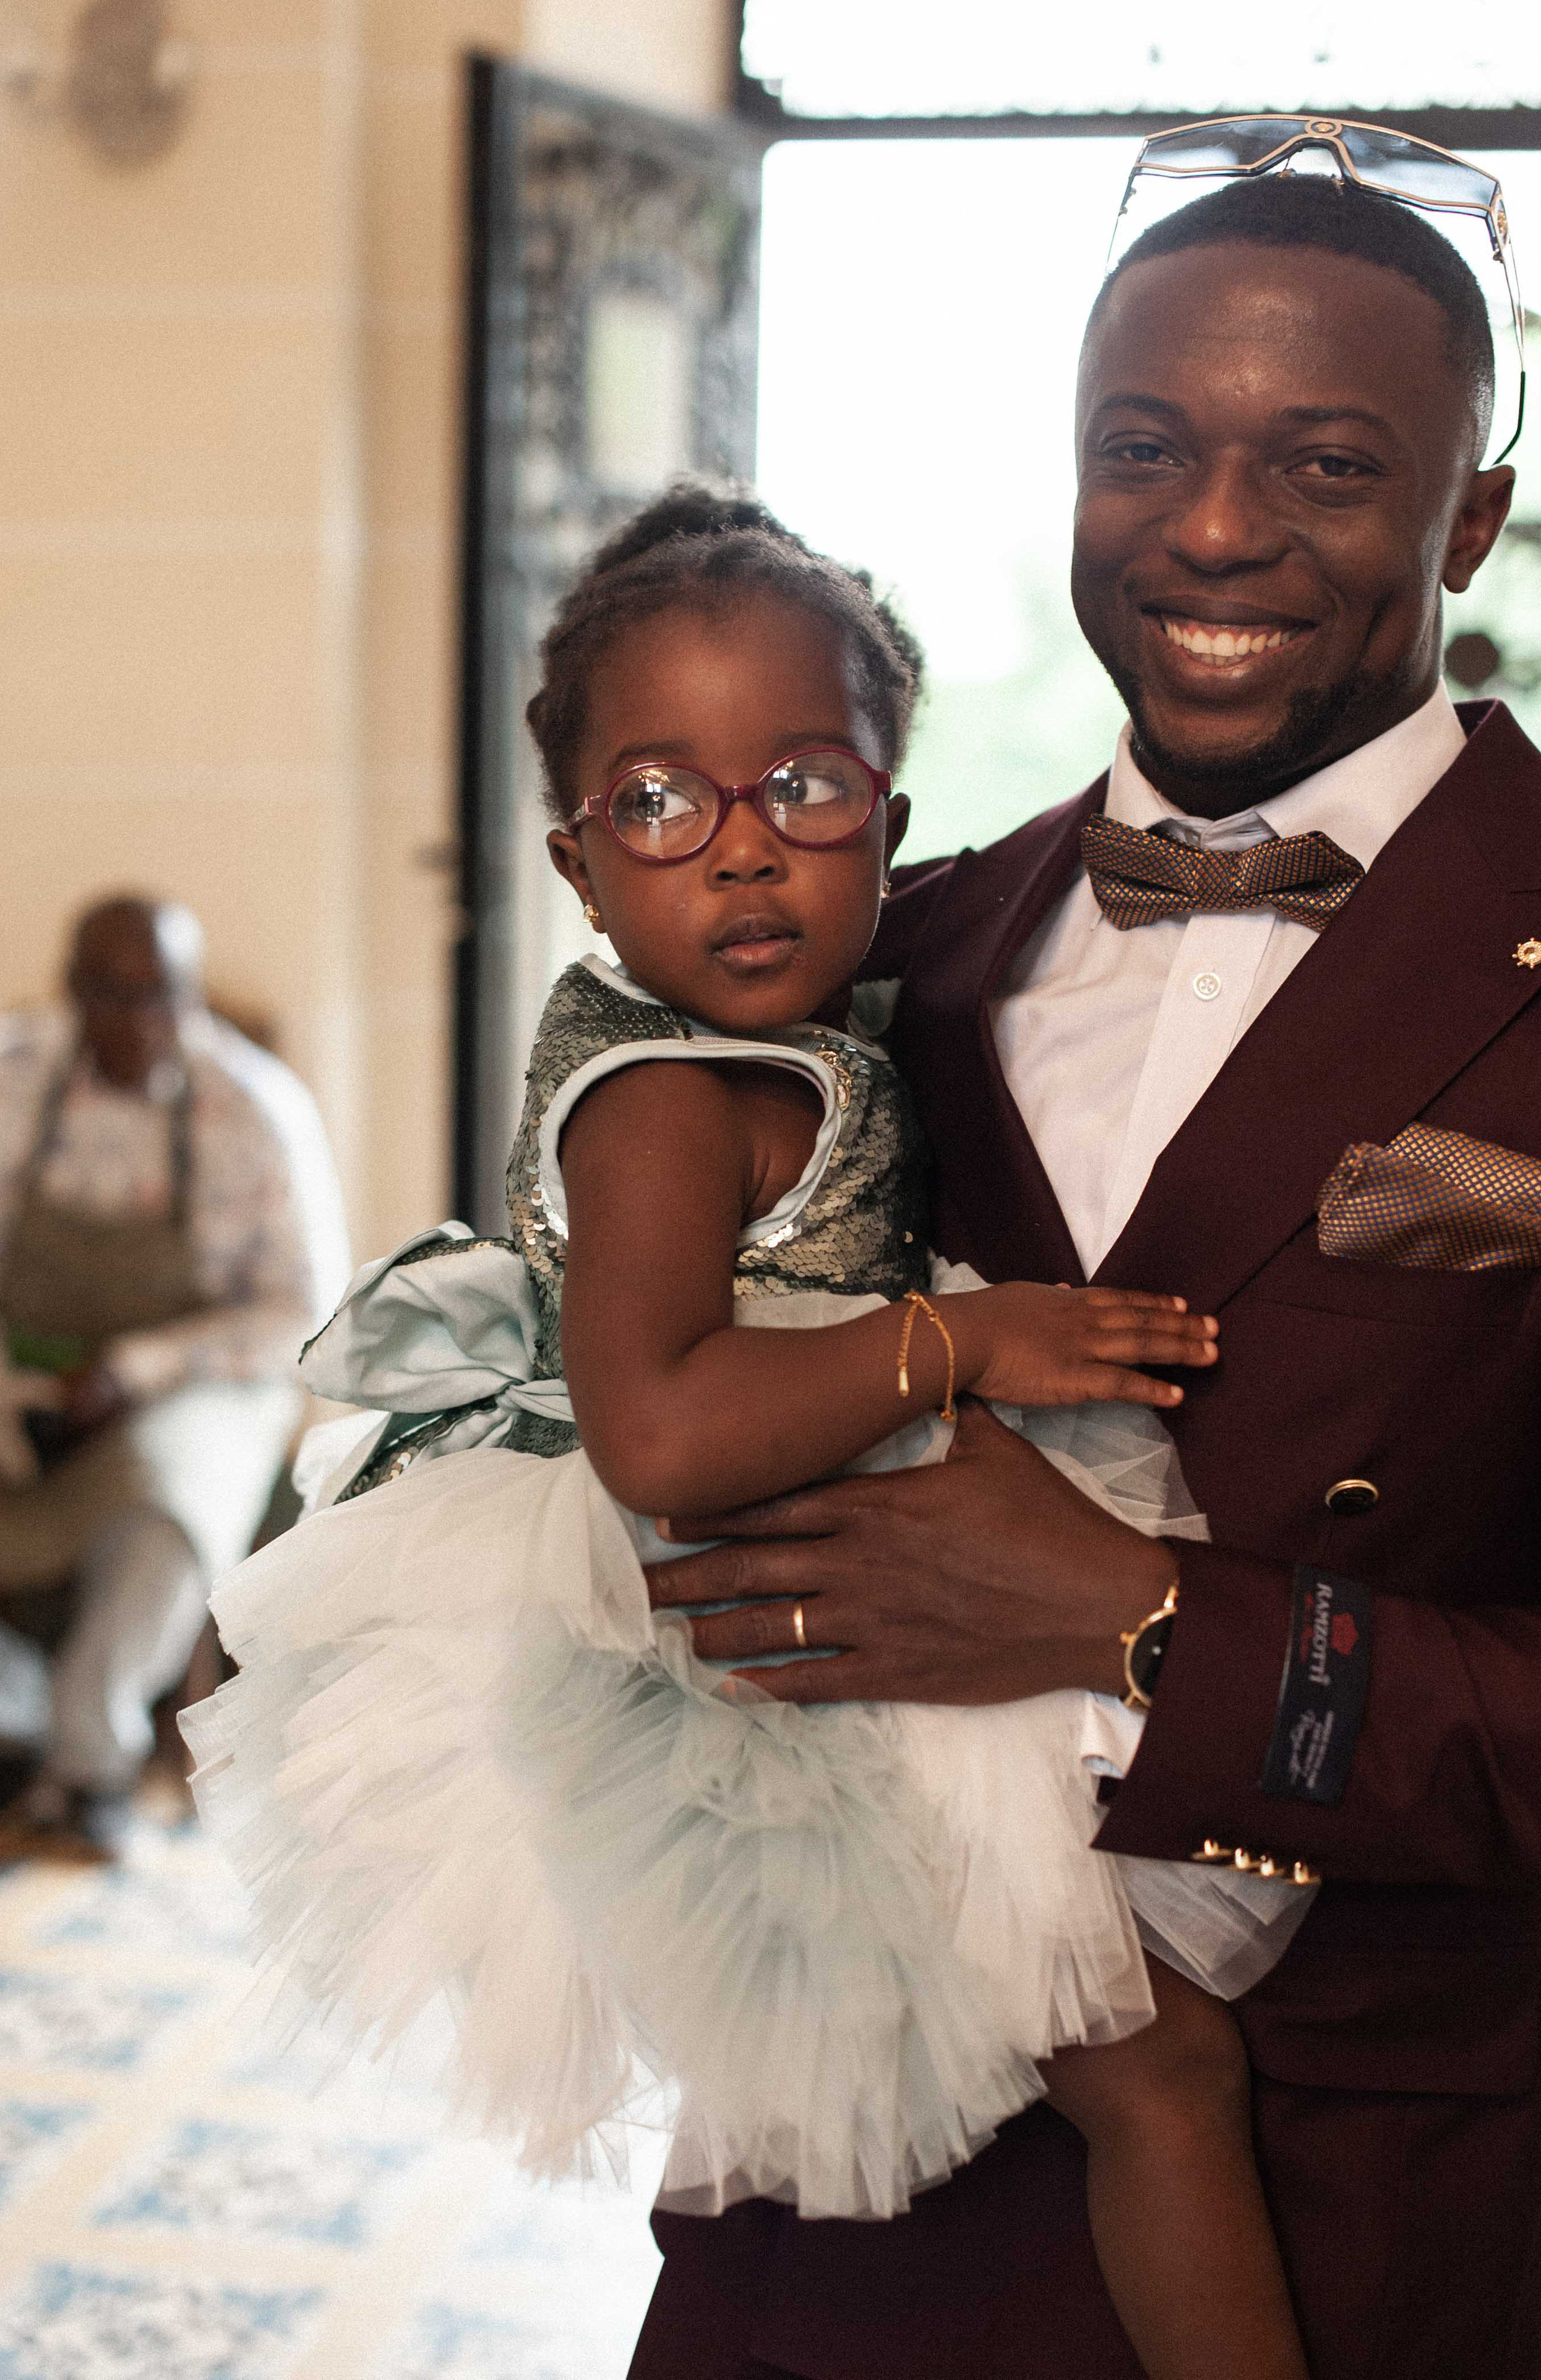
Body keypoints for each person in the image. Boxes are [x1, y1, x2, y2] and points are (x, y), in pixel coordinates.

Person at [184, 486, 1323, 2380]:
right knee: (1163, 2079)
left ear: (892, 815)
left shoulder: (799, 1042)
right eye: (659, 803)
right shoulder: (663, 1106)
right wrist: (961, 1341)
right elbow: (656, 1429)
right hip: (776, 1667)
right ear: (577, 863)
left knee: (1124, 2087)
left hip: (847, 1599)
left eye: (804, 788)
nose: (739, 852)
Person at [623, 167, 1541, 2380]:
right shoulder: (897, 957)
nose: (1212, 529)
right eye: (1145, 446)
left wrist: (1148, 1626)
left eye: (1325, 466)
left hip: (1333, 2186)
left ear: (1469, 518)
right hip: (840, 2162)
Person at [0, 896, 348, 1858]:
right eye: (113, 997)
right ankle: (15, 1721)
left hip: (199, 1379)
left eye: (163, 998)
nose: (141, 1023)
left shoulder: (253, 1107)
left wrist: (134, 1371)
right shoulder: (15, 1076)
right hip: (28, 1368)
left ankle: (89, 1765)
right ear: (72, 991)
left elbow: (303, 1313)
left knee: (170, 1502)